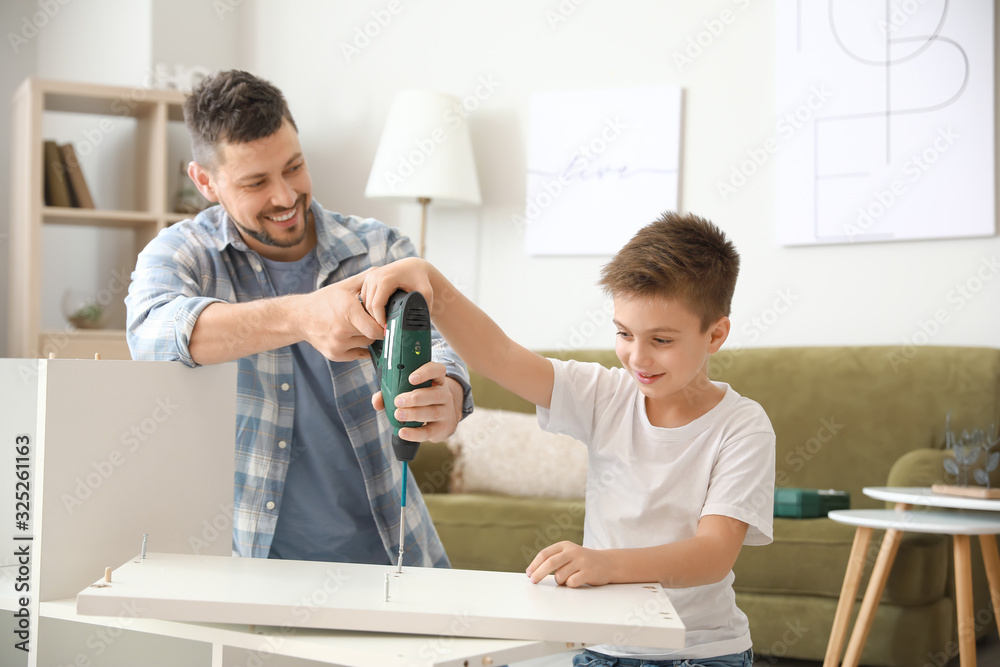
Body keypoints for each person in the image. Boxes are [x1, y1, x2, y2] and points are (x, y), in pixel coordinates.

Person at [359, 212, 774, 666]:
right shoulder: (605, 394)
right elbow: (499, 356)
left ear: (715, 334)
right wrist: (432, 285)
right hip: (602, 648)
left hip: (701, 653)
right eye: (624, 333)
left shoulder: (743, 426)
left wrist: (606, 565)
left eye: (661, 339)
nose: (638, 356)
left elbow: (712, 555)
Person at [125, 70, 472, 566]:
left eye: (294, 167)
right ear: (205, 181)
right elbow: (153, 338)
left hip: (393, 557)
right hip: (252, 568)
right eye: (256, 182)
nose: (286, 197)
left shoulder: (380, 249)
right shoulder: (184, 254)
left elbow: (439, 348)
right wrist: (300, 315)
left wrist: (449, 395)